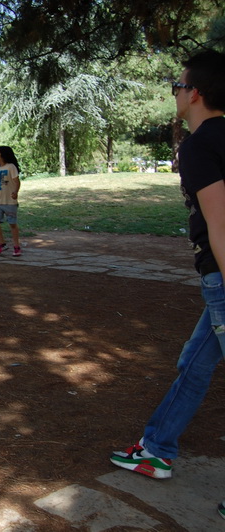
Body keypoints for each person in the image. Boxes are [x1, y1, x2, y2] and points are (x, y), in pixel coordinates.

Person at [109, 52, 225, 516]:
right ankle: (156, 448)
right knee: (195, 362)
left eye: (177, 85)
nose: (174, 92)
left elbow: (219, 224)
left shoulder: (200, 145)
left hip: (222, 273)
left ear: (194, 93)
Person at [0, 146, 22, 257]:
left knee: (12, 224)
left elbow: (17, 181)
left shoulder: (11, 167)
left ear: (3, 155)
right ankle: (1, 243)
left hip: (9, 201)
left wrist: (16, 192)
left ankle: (16, 246)